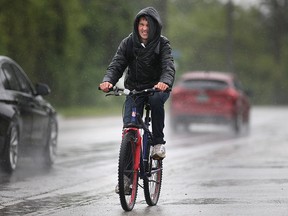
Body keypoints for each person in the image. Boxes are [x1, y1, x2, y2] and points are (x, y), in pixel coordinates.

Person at [99, 7, 175, 160]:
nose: (144, 29)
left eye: (148, 25)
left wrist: (164, 82)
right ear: (136, 25)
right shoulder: (128, 43)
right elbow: (117, 64)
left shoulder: (162, 43)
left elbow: (168, 66)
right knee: (129, 128)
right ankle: (126, 179)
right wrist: (108, 80)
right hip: (135, 89)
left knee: (155, 101)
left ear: (154, 27)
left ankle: (158, 144)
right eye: (141, 24)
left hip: (156, 88)